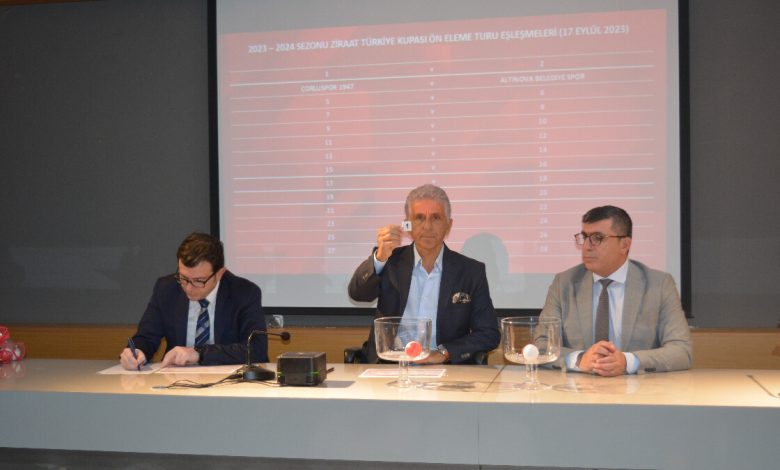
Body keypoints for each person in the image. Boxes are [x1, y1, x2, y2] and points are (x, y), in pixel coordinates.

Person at [349, 184, 500, 364]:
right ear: (408, 225)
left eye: (436, 218)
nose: (427, 226)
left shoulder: (470, 271)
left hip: (444, 368)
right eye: (419, 218)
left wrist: (444, 353)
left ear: (448, 225)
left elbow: (489, 333)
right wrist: (380, 257)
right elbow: (357, 294)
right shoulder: (390, 261)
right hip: (389, 364)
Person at [540, 206, 692, 376]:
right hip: (579, 387)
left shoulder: (659, 285)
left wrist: (627, 362)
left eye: (598, 238)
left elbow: (681, 351)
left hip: (640, 389)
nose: (587, 247)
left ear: (625, 244)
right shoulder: (564, 283)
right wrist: (579, 359)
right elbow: (541, 346)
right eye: (584, 237)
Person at [119, 232, 267, 370]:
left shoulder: (244, 293)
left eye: (198, 280)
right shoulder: (166, 289)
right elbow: (146, 336)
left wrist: (199, 354)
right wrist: (137, 351)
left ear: (219, 274)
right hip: (175, 379)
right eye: (183, 278)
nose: (188, 288)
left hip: (229, 380)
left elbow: (256, 350)